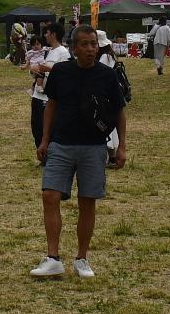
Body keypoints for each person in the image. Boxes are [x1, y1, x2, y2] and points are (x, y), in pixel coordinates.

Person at [33, 25, 129, 278]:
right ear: (74, 48)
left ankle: (82, 258)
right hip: (61, 144)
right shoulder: (61, 72)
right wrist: (45, 140)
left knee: (87, 202)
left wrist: (122, 146)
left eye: (94, 44)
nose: (90, 49)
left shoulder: (107, 75)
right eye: (85, 44)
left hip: (93, 146)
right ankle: (53, 257)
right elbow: (51, 106)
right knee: (50, 196)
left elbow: (119, 110)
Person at [27, 20, 69, 148]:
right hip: (38, 95)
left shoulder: (63, 52)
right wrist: (34, 70)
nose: (45, 35)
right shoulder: (49, 51)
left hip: (49, 98)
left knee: (47, 127)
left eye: (47, 33)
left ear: (54, 34)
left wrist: (48, 69)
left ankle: (48, 155)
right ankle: (41, 153)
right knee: (36, 126)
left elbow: (66, 73)